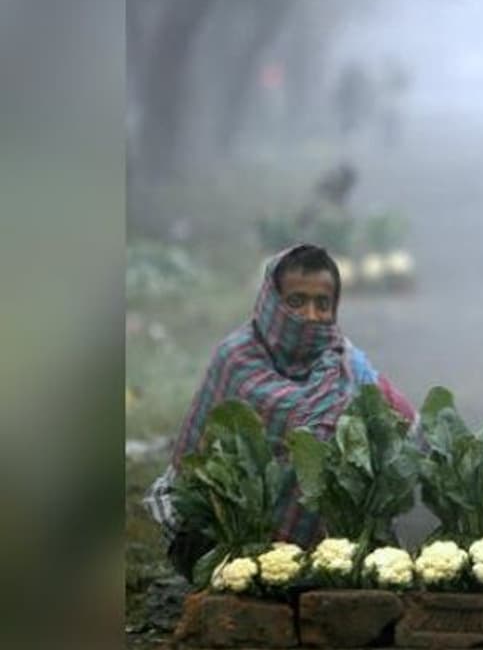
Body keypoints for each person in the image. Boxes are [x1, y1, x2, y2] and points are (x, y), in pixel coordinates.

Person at [143, 243, 417, 581]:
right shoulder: (236, 359)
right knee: (231, 571)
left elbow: (408, 423)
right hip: (225, 533)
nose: (311, 316)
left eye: (323, 304)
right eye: (296, 302)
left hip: (326, 543)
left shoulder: (346, 362)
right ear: (272, 302)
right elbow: (193, 463)